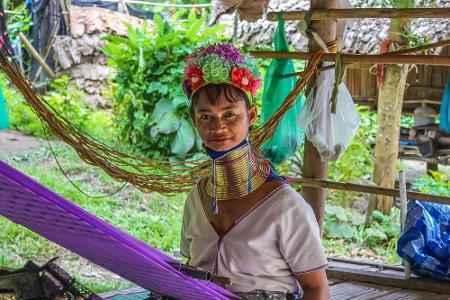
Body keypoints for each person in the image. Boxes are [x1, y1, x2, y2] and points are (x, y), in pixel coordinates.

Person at [180, 43, 329, 300]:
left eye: (230, 115)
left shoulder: (285, 205)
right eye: (206, 117)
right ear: (194, 120)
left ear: (251, 115)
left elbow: (317, 288)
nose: (218, 127)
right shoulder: (197, 197)